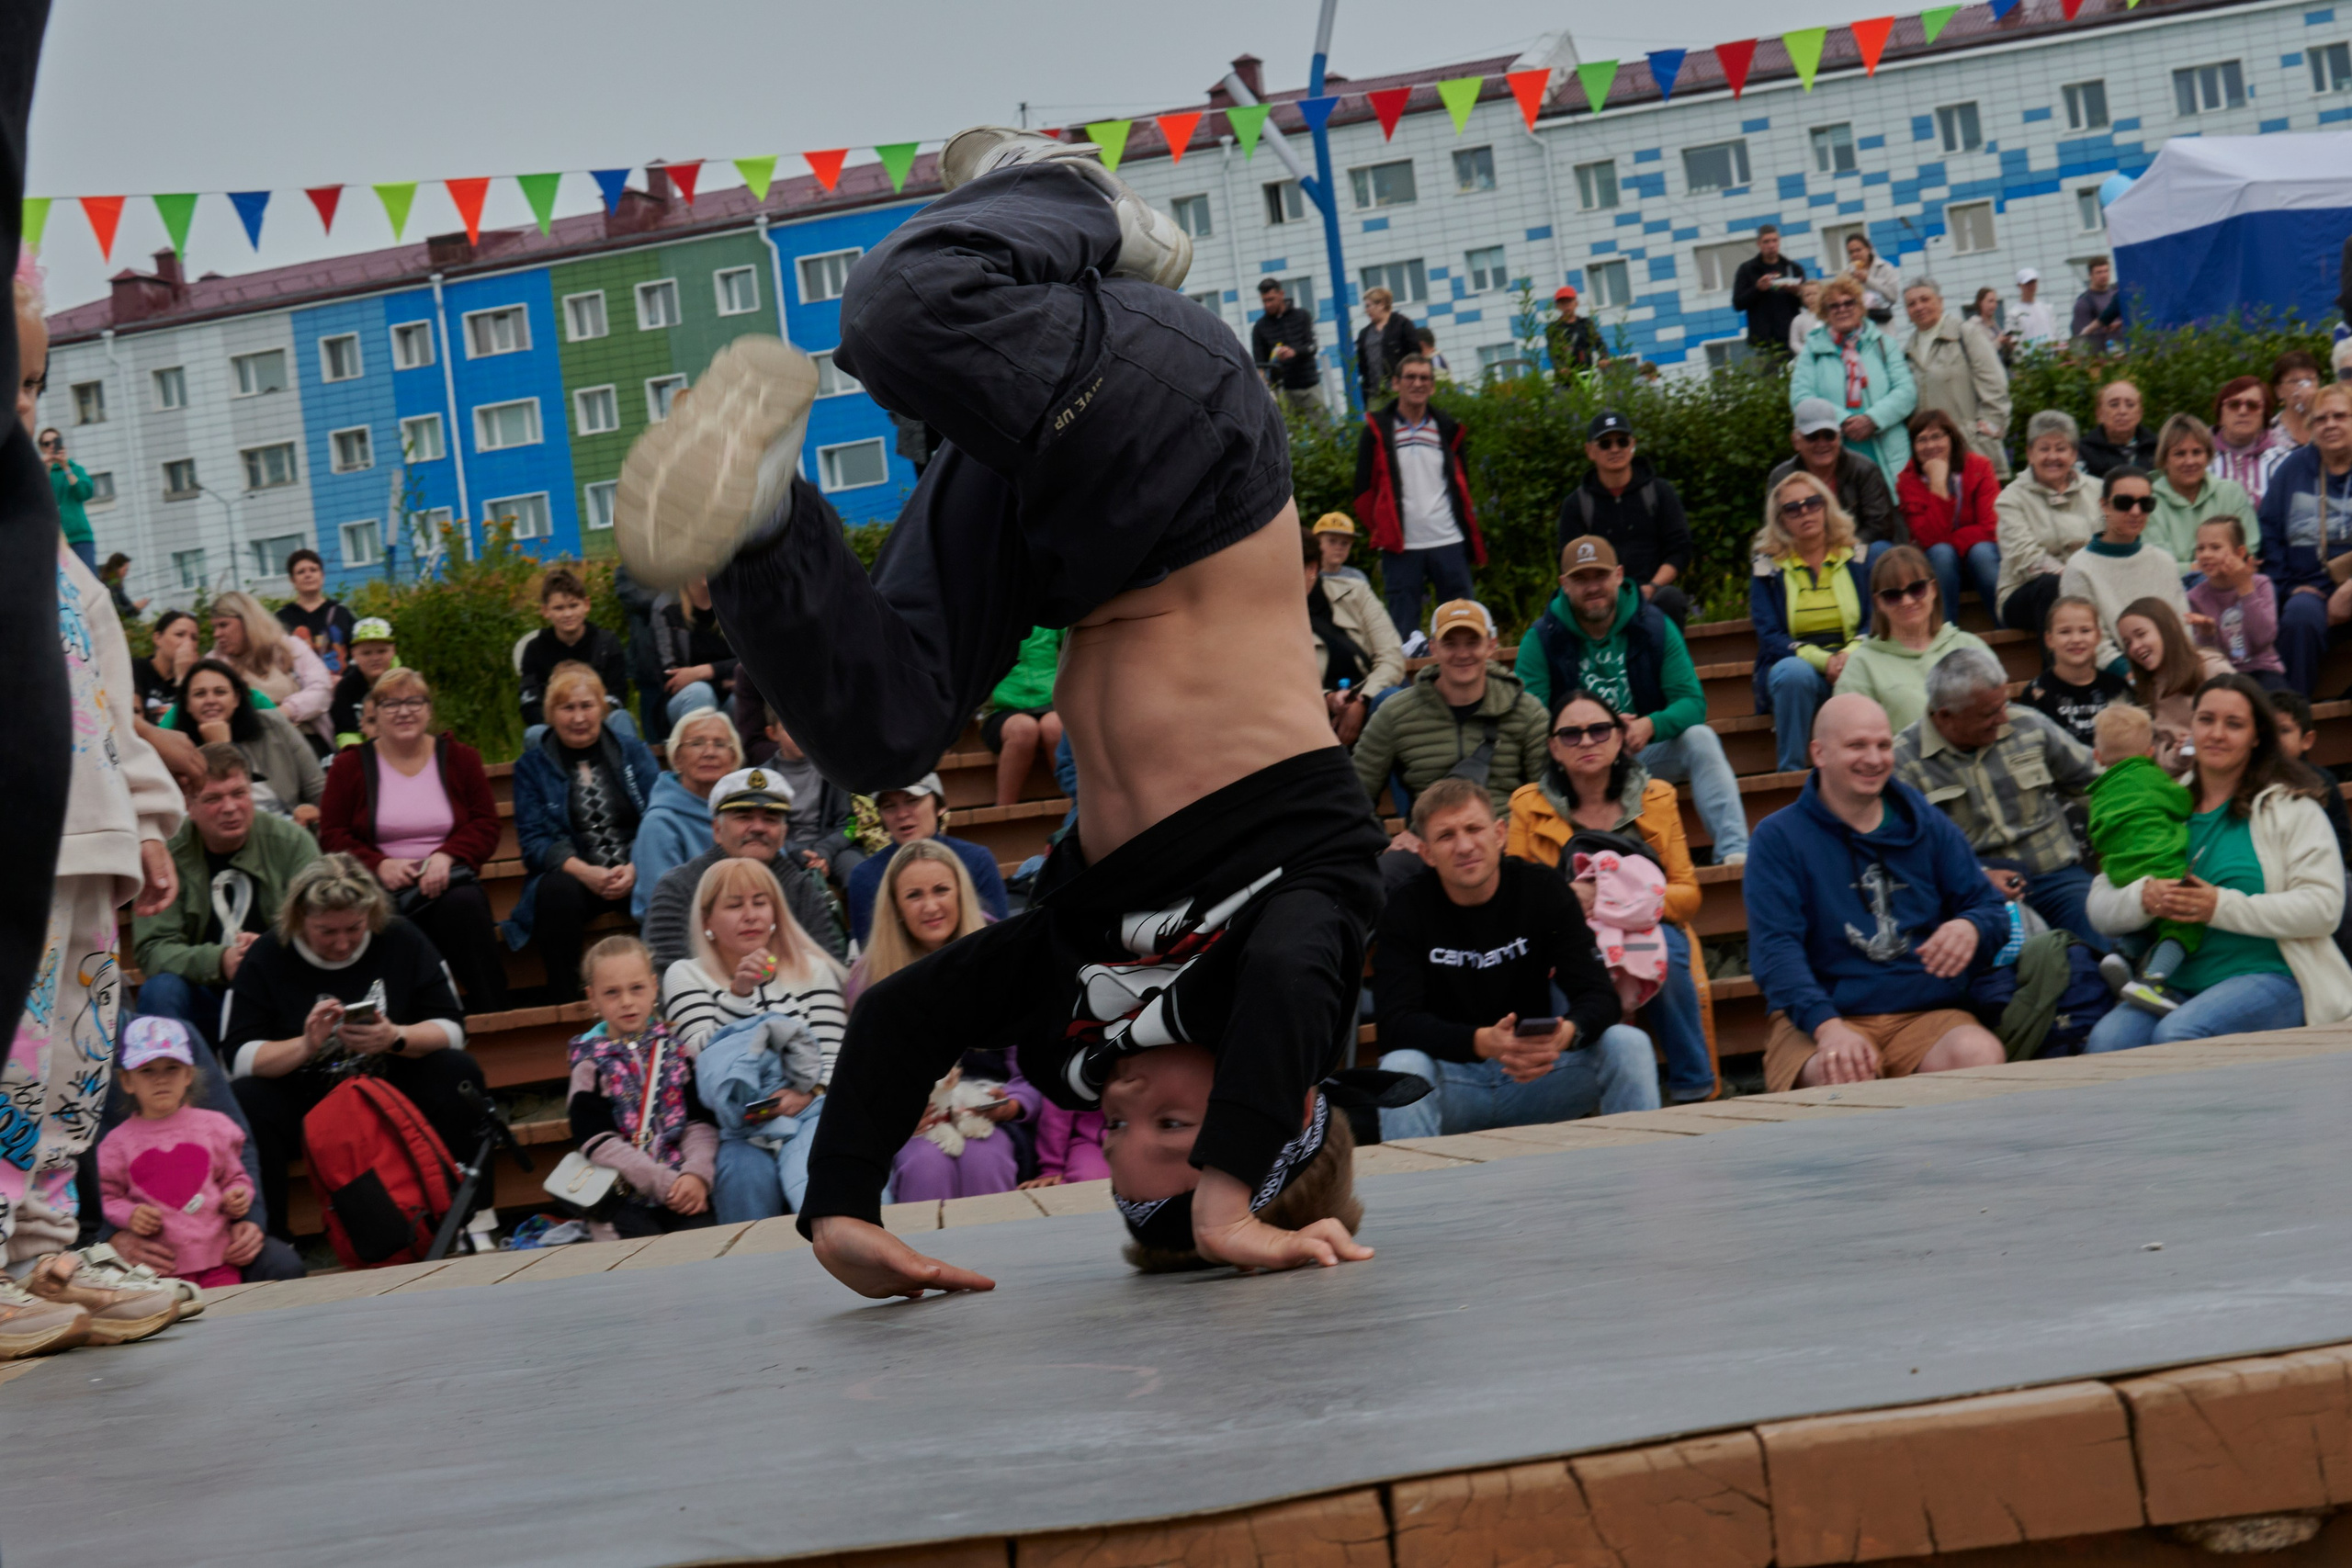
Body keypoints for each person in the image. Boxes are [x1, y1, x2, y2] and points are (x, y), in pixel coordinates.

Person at [620, 129, 1391, 1290]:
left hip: (1066, 540)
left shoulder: (1089, 998)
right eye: (1174, 1130)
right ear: (1273, 1111)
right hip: (1191, 453)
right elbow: (1289, 987)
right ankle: (1072, 198)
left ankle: (760, 506)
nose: (1127, 1105)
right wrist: (1230, 1204)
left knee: (880, 730)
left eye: (1126, 1139)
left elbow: (903, 1017)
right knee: (900, 319)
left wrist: (838, 1210)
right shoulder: (1302, 947)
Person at [1746, 693, 2008, 1091]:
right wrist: (1828, 1027)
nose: (1874, 759)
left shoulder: (1927, 825)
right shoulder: (1778, 838)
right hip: (1824, 1017)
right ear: (1819, 753)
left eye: (1883, 745)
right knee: (1841, 1072)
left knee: (1979, 1055)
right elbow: (1775, 951)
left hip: (1925, 1015)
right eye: (1857, 746)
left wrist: (1971, 926)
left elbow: (1989, 908)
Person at [221, 854, 489, 1243]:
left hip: (393, 1093)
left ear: (372, 913)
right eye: (326, 931)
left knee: (456, 1069)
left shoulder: (401, 937)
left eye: (354, 928)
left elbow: (452, 1029)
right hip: (307, 1102)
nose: (342, 942)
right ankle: (270, 1237)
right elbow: (238, 1058)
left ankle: (472, 1219)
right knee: (248, 1099)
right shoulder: (267, 954)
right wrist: (305, 1045)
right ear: (299, 918)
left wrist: (395, 1037)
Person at [1373, 777, 1657, 1137]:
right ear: (1426, 853)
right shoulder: (1405, 908)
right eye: (1446, 836)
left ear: (1499, 834)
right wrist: (1481, 1042)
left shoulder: (1541, 889)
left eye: (1474, 829)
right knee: (1402, 1067)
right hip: (1455, 1084)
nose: (1464, 846)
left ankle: (1639, 1182)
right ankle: (1413, 1190)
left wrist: (1564, 1034)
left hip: (1538, 1075)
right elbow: (1395, 1024)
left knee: (1628, 1045)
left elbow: (1599, 996)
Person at [2084, 674, 2352, 1050]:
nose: (2217, 733)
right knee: (2107, 1042)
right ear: (2191, 726)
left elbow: (2324, 909)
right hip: (2173, 984)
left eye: (2234, 724)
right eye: (2206, 720)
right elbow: (2099, 903)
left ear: (2257, 736)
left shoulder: (2293, 809)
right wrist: (2143, 897)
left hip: (2276, 976)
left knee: (2178, 1035)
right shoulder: (2165, 801)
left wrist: (2218, 906)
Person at [1506, 692, 1716, 1102]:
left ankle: (1695, 1090)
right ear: (1553, 747)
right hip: (1565, 937)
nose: (1586, 741)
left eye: (1599, 730)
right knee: (1571, 970)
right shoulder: (1527, 806)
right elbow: (1516, 901)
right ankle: (1584, 1090)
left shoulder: (1656, 797)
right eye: (1571, 734)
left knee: (1671, 955)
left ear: (1620, 738)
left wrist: (1619, 898)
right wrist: (1567, 900)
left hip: (1645, 923)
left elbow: (1688, 894)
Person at [1519, 536, 1750, 863]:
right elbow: (1529, 719)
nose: (1592, 587)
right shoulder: (1541, 638)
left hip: (1640, 756)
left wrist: (1648, 725)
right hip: (1575, 763)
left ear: (1618, 575)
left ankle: (1735, 853)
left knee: (1701, 738)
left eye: (1599, 576)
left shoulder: (1654, 627)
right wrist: (1587, 735)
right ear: (1564, 585)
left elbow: (1692, 702)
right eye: (1580, 579)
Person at [851, 842, 1039, 1202]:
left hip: (989, 1114)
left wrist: (1012, 1103)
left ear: (960, 893)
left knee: (985, 1160)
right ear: (897, 908)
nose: (931, 906)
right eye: (914, 895)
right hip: (912, 1125)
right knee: (925, 1166)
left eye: (941, 890)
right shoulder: (868, 977)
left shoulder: (1002, 954)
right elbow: (860, 1079)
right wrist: (894, 1116)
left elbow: (1032, 1066)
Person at [318, 669, 508, 1013]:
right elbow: (331, 835)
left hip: (447, 882)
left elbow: (486, 823)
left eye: (413, 702)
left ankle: (493, 1011)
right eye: (391, 704)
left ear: (429, 709)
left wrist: (448, 856)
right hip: (379, 889)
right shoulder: (349, 767)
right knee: (385, 922)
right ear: (373, 712)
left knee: (463, 905)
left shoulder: (461, 758)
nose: (404, 711)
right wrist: (379, 866)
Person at [1893, 646, 2105, 946]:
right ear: (1945, 716)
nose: (2004, 717)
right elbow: (1909, 853)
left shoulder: (2028, 725)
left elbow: (2096, 780)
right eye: (1990, 712)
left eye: (2005, 704)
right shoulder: (1904, 763)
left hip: (2057, 879)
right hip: (1975, 896)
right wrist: (1977, 877)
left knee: (2095, 925)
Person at [134, 742, 321, 1043]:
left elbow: (323, 927)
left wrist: (268, 951)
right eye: (213, 798)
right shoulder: (167, 853)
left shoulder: (293, 843)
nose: (230, 807)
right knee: (161, 990)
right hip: (206, 996)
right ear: (188, 806)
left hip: (281, 994)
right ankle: (171, 1083)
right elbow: (152, 949)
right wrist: (220, 961)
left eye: (239, 793)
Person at [508, 662, 662, 1002]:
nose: (578, 717)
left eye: (586, 706)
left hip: (634, 865)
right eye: (567, 708)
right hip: (579, 874)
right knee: (554, 892)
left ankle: (665, 992)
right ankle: (568, 999)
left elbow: (657, 815)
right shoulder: (532, 767)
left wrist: (637, 865)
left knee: (667, 877)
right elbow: (534, 841)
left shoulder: (632, 752)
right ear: (551, 713)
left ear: (601, 709)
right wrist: (585, 872)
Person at [1353, 598, 1548, 840]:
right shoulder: (1395, 713)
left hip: (1508, 842)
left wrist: (1522, 837)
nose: (1462, 653)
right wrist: (1385, 842)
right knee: (1391, 871)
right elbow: (1354, 798)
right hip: (1428, 849)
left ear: (1491, 645)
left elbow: (1549, 794)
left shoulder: (1528, 711)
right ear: (1433, 648)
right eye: (1450, 643)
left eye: (1472, 642)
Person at [567, 936, 717, 1237]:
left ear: (653, 987)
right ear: (592, 998)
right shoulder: (589, 1065)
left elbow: (699, 1124)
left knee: (703, 1251)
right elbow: (597, 1141)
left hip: (681, 1187)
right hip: (622, 1198)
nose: (626, 1002)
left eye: (636, 988)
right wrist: (661, 1182)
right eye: (611, 993)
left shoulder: (678, 1054)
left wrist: (696, 1176)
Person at [96, 1017, 258, 1291]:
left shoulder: (216, 1127)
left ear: (188, 1075)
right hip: (156, 1270)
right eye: (147, 1070)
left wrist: (238, 1197)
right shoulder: (116, 1144)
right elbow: (106, 1197)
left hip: (220, 1260)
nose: (160, 1079)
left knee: (229, 1319)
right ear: (127, 1080)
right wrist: (130, 1215)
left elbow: (236, 1177)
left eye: (172, 1068)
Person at [644, 765, 846, 969]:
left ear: (784, 833)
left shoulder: (802, 890)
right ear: (717, 830)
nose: (758, 827)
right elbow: (664, 975)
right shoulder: (678, 887)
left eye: (770, 819)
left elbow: (831, 966)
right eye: (744, 817)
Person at [662, 854, 847, 1057]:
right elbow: (702, 1058)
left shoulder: (814, 969)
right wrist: (738, 995)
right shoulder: (686, 974)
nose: (751, 916)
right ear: (707, 921)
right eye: (735, 906)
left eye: (760, 903)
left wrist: (812, 1090)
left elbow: (834, 1057)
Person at [1354, 352, 1485, 637]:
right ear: (1396, 384)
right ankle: (1405, 683)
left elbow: (1462, 485)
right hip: (1401, 546)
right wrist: (1383, 528)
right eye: (1410, 377)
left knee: (1463, 629)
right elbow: (1362, 493)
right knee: (1403, 634)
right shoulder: (1376, 430)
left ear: (1433, 386)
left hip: (1448, 539)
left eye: (1424, 378)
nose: (1418, 383)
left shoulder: (1448, 429)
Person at [1751, 471, 1872, 773]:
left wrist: (1848, 655)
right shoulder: (1767, 565)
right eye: (1792, 508)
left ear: (1826, 506)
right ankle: (1791, 775)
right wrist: (1822, 661)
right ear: (1780, 520)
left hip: (1852, 661)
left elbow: (1875, 620)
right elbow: (1769, 633)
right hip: (1796, 664)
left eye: (1812, 503)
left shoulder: (1857, 556)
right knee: (1793, 674)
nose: (1804, 511)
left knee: (1869, 669)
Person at [2084, 704, 2200, 1012]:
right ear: (2150, 752)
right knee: (2183, 920)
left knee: (2147, 920)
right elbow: (2183, 803)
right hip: (2160, 864)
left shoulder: (2098, 793)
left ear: (2098, 757)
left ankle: (2121, 954)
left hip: (2119, 870)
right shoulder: (2150, 777)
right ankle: (2153, 980)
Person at [1835, 545, 1994, 737]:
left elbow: (1998, 716)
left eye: (1916, 589)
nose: (1907, 601)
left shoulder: (1970, 647)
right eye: (1893, 595)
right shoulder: (1860, 665)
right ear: (1878, 603)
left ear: (1933, 589)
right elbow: (1851, 737)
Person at [1555, 411, 1693, 626]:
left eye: (1622, 441)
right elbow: (1568, 560)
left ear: (1633, 444)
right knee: (1557, 606)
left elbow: (1679, 549)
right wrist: (1603, 591)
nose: (1615, 449)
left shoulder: (1660, 492)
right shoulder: (1576, 504)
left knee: (1672, 600)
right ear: (1589, 451)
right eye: (1605, 444)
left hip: (1652, 593)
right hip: (1599, 596)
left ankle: (1670, 659)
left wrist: (1653, 587)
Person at [2258, 383, 2352, 695]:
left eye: (2340, 416)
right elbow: (2269, 534)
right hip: (2309, 586)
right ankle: (2293, 722)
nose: (2330, 425)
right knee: (2298, 616)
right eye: (2321, 419)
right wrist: (2286, 586)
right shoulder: (2292, 470)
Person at [842, 773, 1009, 944]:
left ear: (939, 806)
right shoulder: (865, 876)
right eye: (889, 806)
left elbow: (1000, 939)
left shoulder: (977, 860)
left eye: (912, 801)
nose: (901, 814)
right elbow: (869, 954)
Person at [2060, 466, 2194, 672]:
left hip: (2174, 670)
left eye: (2146, 503)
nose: (2136, 512)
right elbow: (2094, 643)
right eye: (2125, 503)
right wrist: (2132, 677)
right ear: (2104, 506)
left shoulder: (2164, 562)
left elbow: (2183, 627)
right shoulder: (2079, 568)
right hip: (2116, 678)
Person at [165, 658, 322, 826]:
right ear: (187, 704)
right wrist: (220, 746)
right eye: (199, 694)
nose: (210, 700)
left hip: (289, 828)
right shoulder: (176, 751)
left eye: (220, 692)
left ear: (236, 698)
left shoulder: (274, 726)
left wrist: (311, 812)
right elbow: (225, 811)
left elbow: (318, 788)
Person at [1792, 276, 1917, 488]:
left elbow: (1906, 391)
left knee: (1898, 515)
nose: (1842, 309)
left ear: (1860, 307)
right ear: (1825, 313)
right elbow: (1801, 398)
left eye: (1849, 302)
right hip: (1839, 451)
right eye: (1834, 306)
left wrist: (1872, 419)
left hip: (1890, 451)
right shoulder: (1812, 351)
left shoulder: (1884, 344)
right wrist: (1842, 421)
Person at [628, 705, 742, 921]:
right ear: (677, 759)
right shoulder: (659, 823)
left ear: (733, 760)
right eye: (697, 743)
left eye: (719, 744)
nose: (709, 752)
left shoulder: (750, 814)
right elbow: (664, 907)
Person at [1995, 410, 2102, 636]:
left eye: (2061, 448)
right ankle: (2058, 669)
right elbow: (2025, 557)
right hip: (2026, 589)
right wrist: (2076, 580)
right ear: (2030, 454)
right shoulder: (2010, 499)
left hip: (2093, 584)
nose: (2052, 456)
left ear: (2074, 454)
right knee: (2052, 588)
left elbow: (2110, 540)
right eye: (2044, 449)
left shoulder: (2098, 490)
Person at [1896, 407, 2002, 618]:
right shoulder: (1908, 480)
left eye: (1937, 437)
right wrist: (1937, 483)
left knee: (1980, 551)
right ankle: (1944, 634)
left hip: (1980, 558)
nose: (1931, 446)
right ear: (1914, 447)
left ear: (1951, 439)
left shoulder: (1980, 466)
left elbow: (1991, 527)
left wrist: (1952, 541)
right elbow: (1930, 540)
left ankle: (2007, 625)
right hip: (1936, 565)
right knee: (1942, 553)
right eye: (1922, 440)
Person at [1301, 527, 1403, 744]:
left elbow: (1391, 657)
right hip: (1312, 709)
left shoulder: (1356, 591)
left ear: (1311, 568)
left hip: (1371, 696)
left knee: (1391, 703)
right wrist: (1327, 698)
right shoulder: (1269, 613)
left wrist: (1362, 699)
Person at [1771, 399, 1903, 563]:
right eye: (1812, 437)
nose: (1822, 443)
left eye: (1829, 435)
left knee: (1880, 549)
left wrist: (1836, 553)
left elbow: (1880, 528)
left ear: (1839, 437)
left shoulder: (1865, 469)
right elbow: (1776, 530)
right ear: (1796, 441)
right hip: (1802, 556)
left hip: (1855, 552)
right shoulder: (1781, 478)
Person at [1902, 277, 2010, 477]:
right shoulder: (1907, 351)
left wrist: (1984, 435)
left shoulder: (1965, 334)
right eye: (1911, 304)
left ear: (1941, 302)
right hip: (1930, 460)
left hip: (1973, 453)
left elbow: (1996, 387)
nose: (1919, 307)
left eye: (1925, 299)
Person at [519, 566, 634, 740]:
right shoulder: (534, 649)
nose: (567, 614)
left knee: (622, 718)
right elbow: (529, 702)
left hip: (599, 723)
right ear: (545, 611)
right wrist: (563, 724)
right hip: (555, 729)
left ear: (586, 605)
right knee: (534, 734)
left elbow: (618, 694)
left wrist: (588, 721)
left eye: (574, 605)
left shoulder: (608, 642)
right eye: (559, 608)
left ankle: (629, 767)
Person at [209, 589, 332, 750]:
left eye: (223, 625)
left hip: (305, 740)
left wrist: (286, 711)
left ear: (247, 621)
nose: (216, 634)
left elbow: (322, 689)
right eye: (215, 627)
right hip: (252, 749)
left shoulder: (290, 647)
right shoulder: (214, 663)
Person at [757, 709, 865, 887]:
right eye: (789, 728)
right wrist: (797, 852)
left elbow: (848, 825)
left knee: (859, 872)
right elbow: (765, 828)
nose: (800, 735)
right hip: (784, 851)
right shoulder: (763, 779)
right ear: (772, 733)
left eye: (804, 726)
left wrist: (824, 851)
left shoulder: (834, 769)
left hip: (832, 847)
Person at [2147, 413, 2256, 575]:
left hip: (2227, 582)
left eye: (2197, 452)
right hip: (2169, 587)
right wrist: (2201, 568)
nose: (2190, 461)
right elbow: (2155, 563)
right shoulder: (2148, 500)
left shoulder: (2231, 492)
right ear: (2164, 460)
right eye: (2180, 454)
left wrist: (2193, 568)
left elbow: (2249, 547)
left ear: (2208, 456)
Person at [2187, 518, 2287, 689]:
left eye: (2215, 547)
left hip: (2261, 669)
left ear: (2240, 552)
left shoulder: (2260, 584)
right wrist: (2206, 634)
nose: (2205, 554)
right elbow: (2205, 657)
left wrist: (2245, 588)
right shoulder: (2194, 597)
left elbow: (2263, 639)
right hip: (2221, 674)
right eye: (2200, 548)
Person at [2022, 595, 2130, 750]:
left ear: (2098, 636)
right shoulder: (2036, 693)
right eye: (2065, 632)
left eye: (2085, 630)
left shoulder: (2117, 688)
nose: (2076, 639)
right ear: (2049, 639)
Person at [2118, 599, 2214, 770]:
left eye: (2141, 634)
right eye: (2128, 643)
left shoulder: (2210, 669)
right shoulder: (2144, 691)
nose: (2135, 646)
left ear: (2166, 629)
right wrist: (2178, 754)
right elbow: (2155, 755)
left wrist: (2200, 741)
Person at [983, 625, 1064, 808]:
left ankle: (1073, 806)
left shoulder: (1052, 611)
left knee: (1055, 726)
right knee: (1023, 730)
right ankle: (1004, 810)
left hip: (1051, 704)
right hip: (1002, 710)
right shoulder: (988, 615)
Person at [653, 574, 739, 730]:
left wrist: (703, 671)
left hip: (732, 693)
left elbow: (750, 663)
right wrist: (722, 682)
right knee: (700, 692)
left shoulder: (735, 601)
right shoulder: (667, 605)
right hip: (685, 698)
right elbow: (671, 675)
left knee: (740, 699)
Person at [2210, 377, 2289, 510]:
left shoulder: (2284, 462)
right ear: (2220, 414)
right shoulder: (2201, 460)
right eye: (2234, 405)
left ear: (2264, 415)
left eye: (2252, 406)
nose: (2243, 411)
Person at [275, 549, 355, 680]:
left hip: (341, 689)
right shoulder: (281, 618)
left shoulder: (341, 613)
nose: (308, 575)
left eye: (313, 570)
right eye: (301, 572)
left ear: (322, 575)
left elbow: (356, 653)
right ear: (292, 580)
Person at [1731, 225, 1806, 358]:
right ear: (1759, 244)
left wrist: (1797, 292)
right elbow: (1737, 303)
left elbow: (1809, 301)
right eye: (1766, 241)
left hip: (1792, 337)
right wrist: (1757, 289)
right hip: (1762, 342)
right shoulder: (1748, 270)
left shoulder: (1793, 268)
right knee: (1767, 379)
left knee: (1798, 377)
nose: (1771, 245)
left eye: (1774, 240)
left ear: (1779, 241)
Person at [1250, 276, 1322, 416]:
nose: (1267, 305)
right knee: (1288, 435)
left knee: (1324, 432)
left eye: (1271, 300)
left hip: (1308, 385)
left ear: (1281, 294)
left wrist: (1294, 352)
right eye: (1264, 301)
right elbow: (1259, 364)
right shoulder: (1260, 327)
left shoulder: (1302, 316)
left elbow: (1313, 346)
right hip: (1283, 391)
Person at [330, 616, 399, 749]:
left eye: (382, 651)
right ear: (354, 654)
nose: (375, 658)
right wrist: (362, 757)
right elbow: (346, 732)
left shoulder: (406, 684)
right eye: (366, 653)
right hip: (363, 754)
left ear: (393, 651)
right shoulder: (345, 688)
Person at [39, 425, 96, 572]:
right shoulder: (38, 473)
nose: (52, 446)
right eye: (47, 443)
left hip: (79, 537)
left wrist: (65, 467)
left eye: (55, 441)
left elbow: (84, 493)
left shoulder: (75, 469)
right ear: (41, 448)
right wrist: (45, 467)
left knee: (87, 584)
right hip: (53, 541)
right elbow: (36, 497)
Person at [135, 606, 199, 727]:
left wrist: (183, 677)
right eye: (180, 635)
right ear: (157, 638)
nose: (188, 643)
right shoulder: (137, 670)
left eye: (194, 638)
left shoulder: (197, 678)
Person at [1355, 284, 1417, 405]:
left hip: (1400, 391)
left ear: (1381, 305)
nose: (1366, 310)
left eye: (1368, 306)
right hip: (1374, 393)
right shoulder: (1364, 334)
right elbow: (1362, 365)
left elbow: (1415, 355)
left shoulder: (1402, 325)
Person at [2080, 379, 2156, 477]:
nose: (2122, 411)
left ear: (2140, 413)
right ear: (2099, 414)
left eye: (2130, 405)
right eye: (2114, 405)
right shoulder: (2083, 451)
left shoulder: (2156, 448)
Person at [1545, 285, 1603, 380]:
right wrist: (1561, 367)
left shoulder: (1586, 324)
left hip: (1587, 375)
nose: (1566, 306)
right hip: (1566, 379)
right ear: (1557, 306)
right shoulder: (1554, 329)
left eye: (1569, 301)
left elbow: (1599, 343)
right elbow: (1552, 352)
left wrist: (1603, 357)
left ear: (1576, 303)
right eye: (1562, 303)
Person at [2071, 257, 2125, 354]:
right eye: (2099, 272)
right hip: (2101, 356)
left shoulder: (2117, 295)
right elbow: (2080, 336)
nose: (2103, 275)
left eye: (2106, 271)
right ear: (2090, 276)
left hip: (2123, 351)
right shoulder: (2084, 303)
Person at [2273, 350, 2325, 450]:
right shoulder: (2270, 434)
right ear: (2279, 391)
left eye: (2309, 380)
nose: (2303, 387)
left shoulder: (2330, 422)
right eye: (2294, 381)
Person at [1842, 233, 1901, 322]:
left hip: (1881, 323)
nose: (1855, 255)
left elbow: (1893, 297)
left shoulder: (1885, 268)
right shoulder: (1847, 275)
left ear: (1868, 248)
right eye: (1851, 252)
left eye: (1858, 250)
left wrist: (1867, 280)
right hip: (1859, 325)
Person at [1311, 512, 1370, 584]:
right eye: (1332, 541)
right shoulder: (1307, 576)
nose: (1338, 548)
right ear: (1317, 542)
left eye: (1345, 543)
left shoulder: (1357, 578)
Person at [2010, 267, 2062, 349]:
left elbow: (2055, 334)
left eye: (2033, 282)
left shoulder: (2047, 308)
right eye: (2028, 283)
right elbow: (2014, 342)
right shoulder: (2014, 313)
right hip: (2030, 359)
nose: (2032, 286)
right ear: (2020, 286)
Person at [98, 553, 148, 624]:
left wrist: (136, 608)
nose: (126, 573)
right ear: (117, 569)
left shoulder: (116, 586)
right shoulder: (111, 587)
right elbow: (117, 611)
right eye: (125, 570)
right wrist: (134, 607)